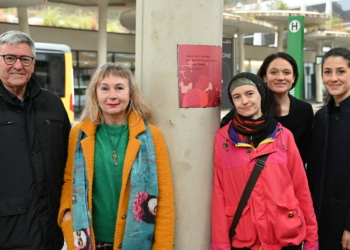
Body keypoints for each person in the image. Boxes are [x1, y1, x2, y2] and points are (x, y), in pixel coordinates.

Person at [58, 63, 175, 250]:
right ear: (95, 94)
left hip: (136, 242)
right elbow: (69, 181)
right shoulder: (79, 134)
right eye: (104, 88)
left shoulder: (151, 136)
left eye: (119, 88)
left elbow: (164, 199)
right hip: (89, 242)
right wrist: (67, 218)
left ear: (130, 94)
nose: (112, 95)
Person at [211, 72, 318, 250]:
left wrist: (312, 240)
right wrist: (220, 245)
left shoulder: (284, 137)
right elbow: (218, 194)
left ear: (261, 94)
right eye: (237, 97)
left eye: (250, 94)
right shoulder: (223, 140)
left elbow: (302, 190)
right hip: (244, 238)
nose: (244, 101)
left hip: (285, 237)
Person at [0, 30, 70, 249]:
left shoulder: (53, 104)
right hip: (8, 232)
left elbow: (70, 163)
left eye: (25, 59)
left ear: (33, 62)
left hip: (51, 230)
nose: (18, 65)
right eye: (9, 58)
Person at [221, 53, 313, 165]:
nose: (280, 77)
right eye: (274, 72)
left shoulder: (305, 110)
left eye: (286, 72)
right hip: (257, 176)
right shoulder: (251, 106)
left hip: (291, 176)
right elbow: (225, 136)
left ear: (293, 77)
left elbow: (305, 152)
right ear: (264, 77)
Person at [307, 47, 350, 250]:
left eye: (341, 71)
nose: (333, 78)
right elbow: (314, 171)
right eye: (327, 72)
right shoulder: (321, 117)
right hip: (319, 220)